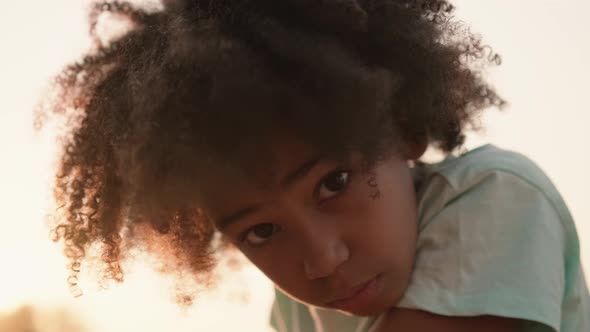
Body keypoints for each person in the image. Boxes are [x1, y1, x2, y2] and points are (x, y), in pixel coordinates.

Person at [37, 0, 589, 331]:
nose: (322, 262)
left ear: (403, 128)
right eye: (261, 231)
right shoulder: (299, 308)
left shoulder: (495, 196)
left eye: (334, 182)